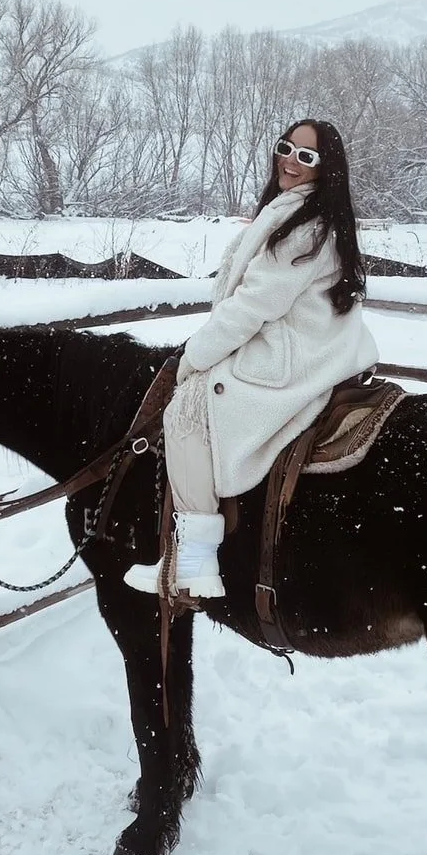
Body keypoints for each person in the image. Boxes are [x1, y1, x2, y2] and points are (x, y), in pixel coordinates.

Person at [124, 118, 378, 598]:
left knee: (186, 411)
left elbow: (251, 308)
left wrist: (191, 358)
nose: (291, 161)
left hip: (290, 357)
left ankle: (195, 564)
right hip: (307, 344)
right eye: (287, 148)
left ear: (328, 170)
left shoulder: (303, 230)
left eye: (307, 156)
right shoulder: (303, 216)